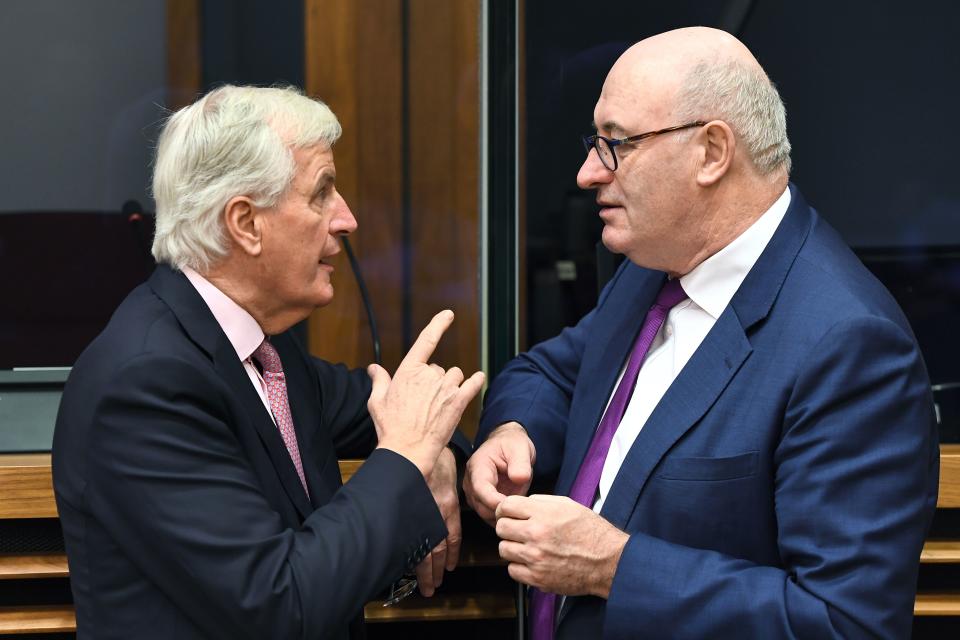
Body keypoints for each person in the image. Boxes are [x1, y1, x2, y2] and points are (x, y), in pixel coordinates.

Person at [464, 26, 939, 639]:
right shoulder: (652, 271)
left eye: (616, 144)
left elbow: (846, 624)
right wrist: (513, 430)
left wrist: (613, 568)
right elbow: (552, 373)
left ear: (712, 152)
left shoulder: (849, 345)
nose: (587, 172)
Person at [52, 85, 484, 640]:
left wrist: (438, 454)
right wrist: (406, 456)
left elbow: (398, 414)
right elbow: (280, 604)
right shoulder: (145, 384)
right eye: (322, 193)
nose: (347, 219)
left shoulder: (266, 354)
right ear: (246, 224)